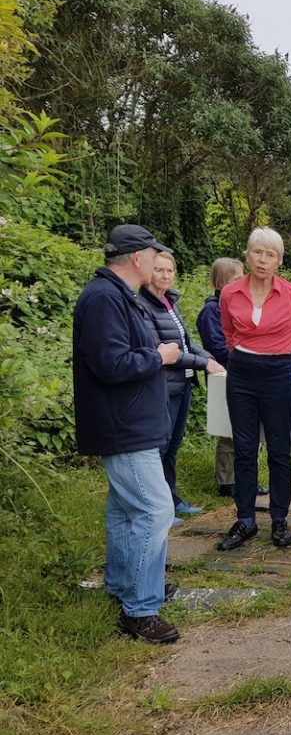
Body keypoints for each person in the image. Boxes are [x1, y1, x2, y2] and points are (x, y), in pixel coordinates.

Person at [73, 224, 182, 644]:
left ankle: (124, 585)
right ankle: (139, 609)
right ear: (137, 258)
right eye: (155, 255)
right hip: (123, 426)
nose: (159, 262)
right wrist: (158, 355)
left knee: (124, 511)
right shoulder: (104, 299)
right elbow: (111, 364)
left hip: (131, 422)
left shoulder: (120, 297)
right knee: (156, 511)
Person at [217, 228, 291, 551]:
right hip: (241, 373)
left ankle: (280, 519)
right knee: (243, 448)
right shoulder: (229, 293)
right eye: (258, 252)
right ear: (247, 254)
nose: (263, 260)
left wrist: (280, 358)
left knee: (279, 449)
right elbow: (229, 334)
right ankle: (245, 520)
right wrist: (246, 355)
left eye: (270, 255)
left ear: (279, 261)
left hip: (279, 372)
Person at [139, 252, 225, 525]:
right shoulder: (143, 305)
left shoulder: (170, 302)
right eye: (159, 270)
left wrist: (208, 357)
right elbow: (164, 352)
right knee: (160, 447)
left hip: (183, 383)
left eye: (169, 271)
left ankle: (172, 499)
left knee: (173, 445)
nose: (165, 276)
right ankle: (159, 509)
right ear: (148, 273)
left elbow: (185, 343)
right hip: (163, 385)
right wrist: (204, 363)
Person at [195, 257, 244, 498]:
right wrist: (245, 356)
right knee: (229, 429)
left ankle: (244, 478)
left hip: (243, 374)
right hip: (224, 376)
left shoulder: (237, 306)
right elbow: (216, 346)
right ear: (223, 281)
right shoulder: (210, 311)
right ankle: (227, 480)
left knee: (246, 430)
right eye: (237, 279)